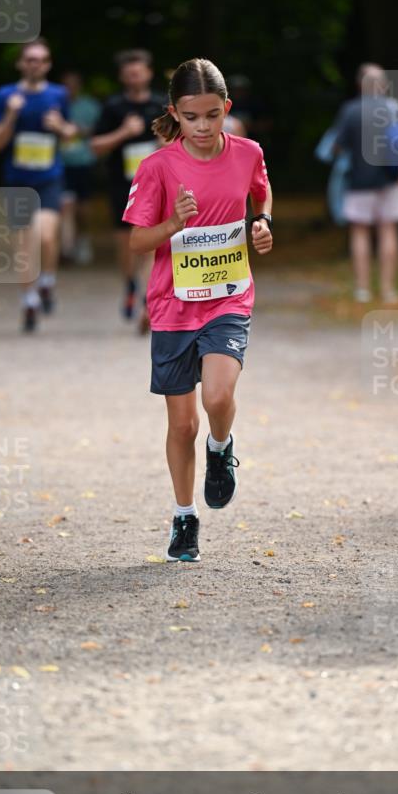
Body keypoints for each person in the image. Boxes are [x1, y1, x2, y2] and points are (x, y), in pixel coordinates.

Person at [122, 58, 273, 562]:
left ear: (227, 109)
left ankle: (221, 448)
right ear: (175, 114)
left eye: (213, 115)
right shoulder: (157, 167)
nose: (205, 127)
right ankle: (184, 517)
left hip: (229, 296)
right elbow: (138, 241)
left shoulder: (248, 152)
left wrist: (263, 221)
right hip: (173, 306)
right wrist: (173, 223)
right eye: (192, 118)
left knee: (219, 394)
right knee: (182, 423)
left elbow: (260, 191)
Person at [0, 38, 77, 332]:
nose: (34, 64)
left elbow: (71, 135)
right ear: (20, 63)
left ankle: (47, 281)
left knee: (46, 237)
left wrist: (60, 127)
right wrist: (12, 114)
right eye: (29, 59)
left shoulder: (59, 94)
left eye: (40, 59)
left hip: (49, 177)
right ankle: (29, 300)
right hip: (17, 181)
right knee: (24, 245)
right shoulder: (5, 95)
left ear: (48, 64)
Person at [91, 49, 167, 330]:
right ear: (122, 77)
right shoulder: (112, 108)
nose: (135, 77)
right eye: (129, 73)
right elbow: (95, 147)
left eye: (139, 71)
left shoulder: (163, 104)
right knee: (126, 245)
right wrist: (123, 132)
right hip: (122, 185)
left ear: (148, 73)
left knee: (150, 246)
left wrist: (165, 144)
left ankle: (148, 302)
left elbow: (181, 142)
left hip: (156, 185)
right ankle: (131, 285)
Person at [333, 63, 398, 304]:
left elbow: (337, 147)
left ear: (360, 85)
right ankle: (388, 290)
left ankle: (362, 289)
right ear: (384, 84)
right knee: (388, 231)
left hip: (359, 181)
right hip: (391, 180)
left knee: (360, 232)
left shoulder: (351, 110)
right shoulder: (394, 109)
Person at [59, 71, 101, 265]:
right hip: (61, 163)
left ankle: (83, 240)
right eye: (66, 85)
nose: (70, 89)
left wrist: (80, 130)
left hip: (84, 162)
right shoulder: (56, 103)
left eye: (73, 84)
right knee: (66, 203)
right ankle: (66, 247)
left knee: (83, 207)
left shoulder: (90, 106)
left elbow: (100, 130)